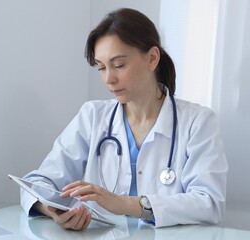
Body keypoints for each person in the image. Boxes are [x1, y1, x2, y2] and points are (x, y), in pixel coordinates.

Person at [21, 8, 228, 230]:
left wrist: (126, 204)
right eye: (101, 67)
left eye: (118, 65)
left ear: (152, 58)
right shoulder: (92, 117)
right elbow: (37, 184)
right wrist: (54, 211)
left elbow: (209, 202)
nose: (109, 79)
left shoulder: (198, 122)